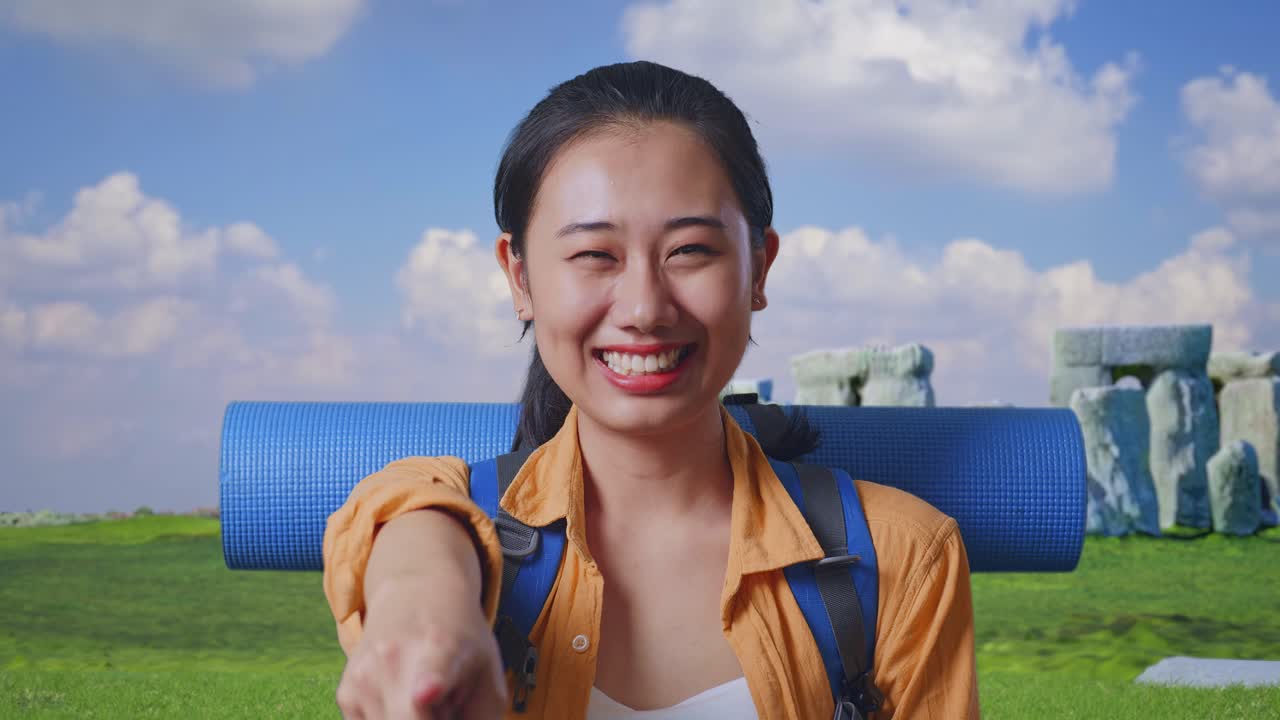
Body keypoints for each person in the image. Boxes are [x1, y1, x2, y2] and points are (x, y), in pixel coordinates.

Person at [322, 60, 980, 719]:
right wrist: (426, 607)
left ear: (760, 267)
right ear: (519, 279)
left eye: (690, 250)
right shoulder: (446, 528)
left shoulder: (904, 556)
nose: (644, 307)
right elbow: (404, 513)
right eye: (594, 255)